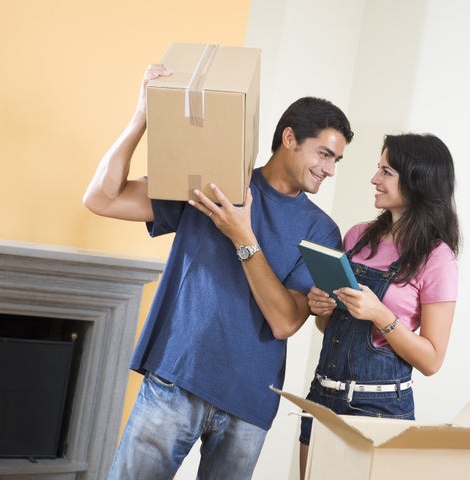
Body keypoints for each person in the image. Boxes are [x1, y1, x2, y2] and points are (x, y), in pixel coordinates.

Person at [83, 63, 353, 480]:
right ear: (289, 139)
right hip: (175, 379)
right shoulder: (217, 183)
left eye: (337, 160)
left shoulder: (321, 230)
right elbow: (102, 198)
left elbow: (284, 321)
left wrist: (243, 236)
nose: (330, 169)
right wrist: (142, 115)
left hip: (248, 403)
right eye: (324, 154)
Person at [298, 133, 460, 477]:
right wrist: (322, 307)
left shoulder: (437, 259)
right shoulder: (357, 237)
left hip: (381, 410)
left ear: (416, 181)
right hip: (323, 395)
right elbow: (330, 327)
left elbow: (431, 360)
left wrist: (381, 316)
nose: (374, 179)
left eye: (386, 171)